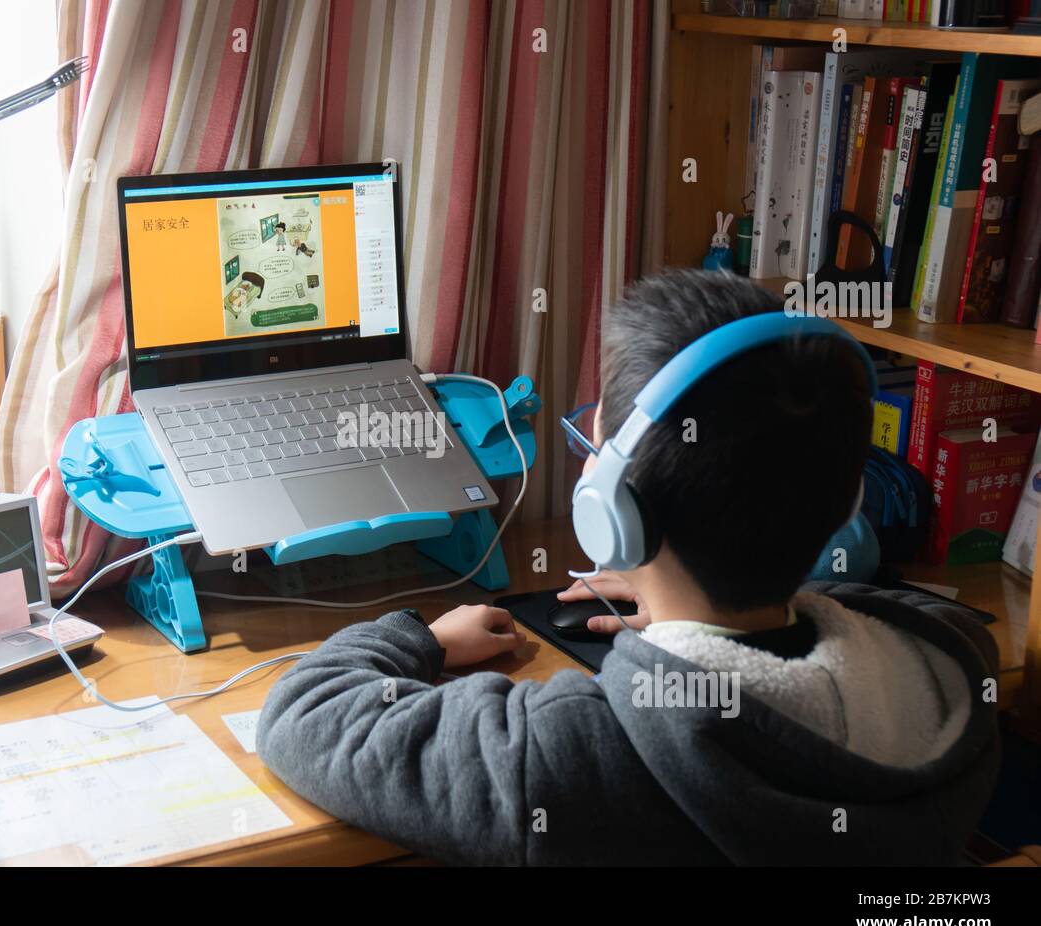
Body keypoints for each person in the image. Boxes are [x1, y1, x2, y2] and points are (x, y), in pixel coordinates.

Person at [257, 269, 1000, 866]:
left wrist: (422, 638)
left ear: (611, 508)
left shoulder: (569, 757)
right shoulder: (949, 670)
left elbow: (305, 715)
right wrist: (698, 598)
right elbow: (884, 607)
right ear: (848, 497)